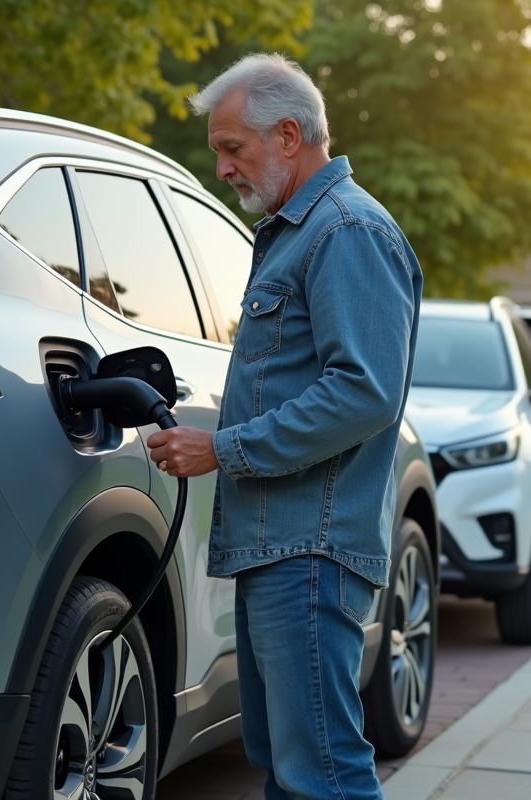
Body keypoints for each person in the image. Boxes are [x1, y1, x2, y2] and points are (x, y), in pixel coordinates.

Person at [145, 53, 423, 800]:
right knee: (291, 771)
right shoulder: (298, 232)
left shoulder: (345, 232)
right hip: (281, 550)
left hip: (310, 552)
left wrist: (223, 448)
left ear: (290, 135)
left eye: (233, 148)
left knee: (321, 774)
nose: (223, 168)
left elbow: (363, 392)